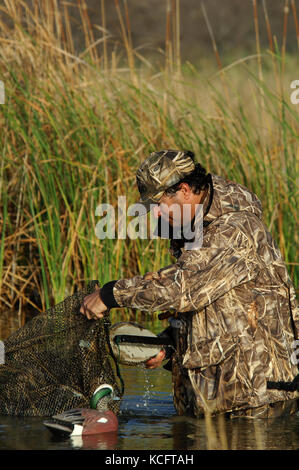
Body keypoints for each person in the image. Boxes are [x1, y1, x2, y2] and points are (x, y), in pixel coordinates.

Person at [80, 149, 299, 418]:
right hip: (219, 401)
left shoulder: (235, 229)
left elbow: (182, 289)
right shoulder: (195, 226)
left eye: (159, 204)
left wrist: (109, 294)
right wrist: (170, 345)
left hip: (255, 405)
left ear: (184, 190)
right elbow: (218, 311)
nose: (156, 215)